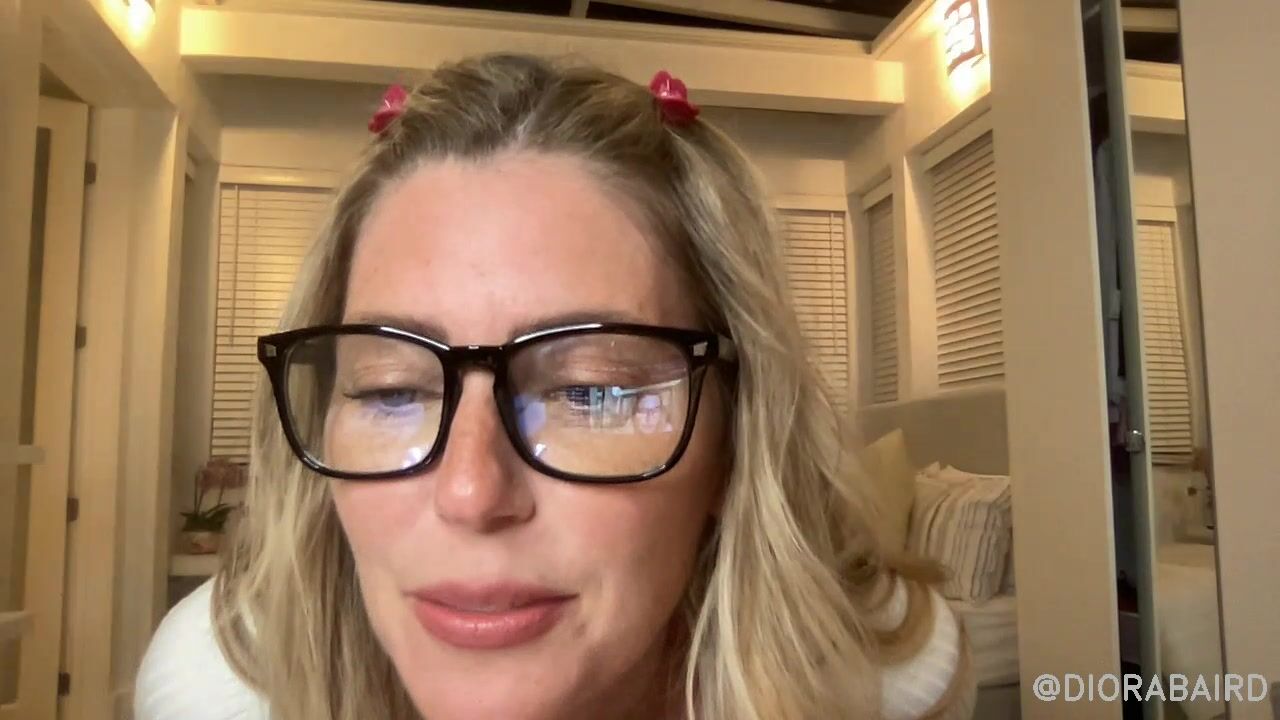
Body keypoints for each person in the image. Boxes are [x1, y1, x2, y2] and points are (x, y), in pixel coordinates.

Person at [136, 53, 974, 720]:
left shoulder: (888, 682)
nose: (471, 493)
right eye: (392, 391)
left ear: (738, 438)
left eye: (592, 393)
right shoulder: (212, 694)